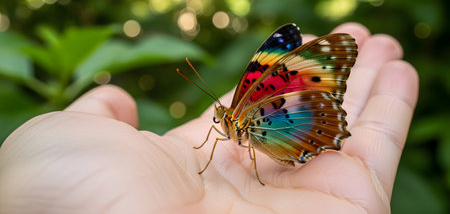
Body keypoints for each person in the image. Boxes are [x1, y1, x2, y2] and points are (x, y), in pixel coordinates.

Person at [0, 23, 418, 213]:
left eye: (220, 114)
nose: (219, 117)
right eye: (219, 115)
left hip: (307, 125)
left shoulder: (243, 112)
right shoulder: (233, 119)